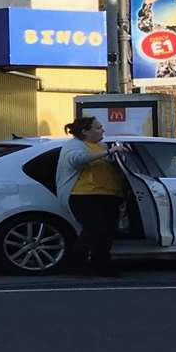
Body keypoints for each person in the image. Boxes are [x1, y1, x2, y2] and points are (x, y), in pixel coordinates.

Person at [57, 115, 124, 276]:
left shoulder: (99, 145)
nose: (103, 130)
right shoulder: (74, 146)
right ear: (85, 131)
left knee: (107, 232)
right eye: (98, 127)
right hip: (84, 195)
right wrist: (109, 151)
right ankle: (76, 263)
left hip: (108, 195)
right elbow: (77, 161)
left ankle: (101, 265)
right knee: (94, 229)